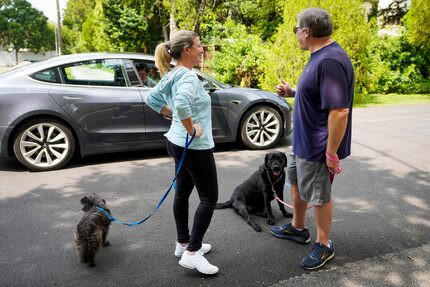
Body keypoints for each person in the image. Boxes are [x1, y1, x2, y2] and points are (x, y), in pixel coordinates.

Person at [270, 7, 354, 270]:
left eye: (296, 30)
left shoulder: (329, 60)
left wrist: (330, 153)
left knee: (319, 196)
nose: (296, 34)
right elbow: (318, 94)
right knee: (296, 184)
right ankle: (298, 228)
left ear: (306, 32)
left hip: (318, 147)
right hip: (302, 143)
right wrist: (293, 91)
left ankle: (324, 243)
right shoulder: (319, 56)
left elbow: (339, 111)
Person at [144, 30, 219, 275]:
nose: (202, 49)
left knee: (183, 191)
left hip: (176, 142)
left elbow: (152, 98)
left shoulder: (172, 74)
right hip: (194, 146)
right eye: (199, 45)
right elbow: (181, 104)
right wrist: (191, 128)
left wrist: (176, 119)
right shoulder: (187, 77)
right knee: (209, 198)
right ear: (187, 49)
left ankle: (183, 242)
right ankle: (192, 252)